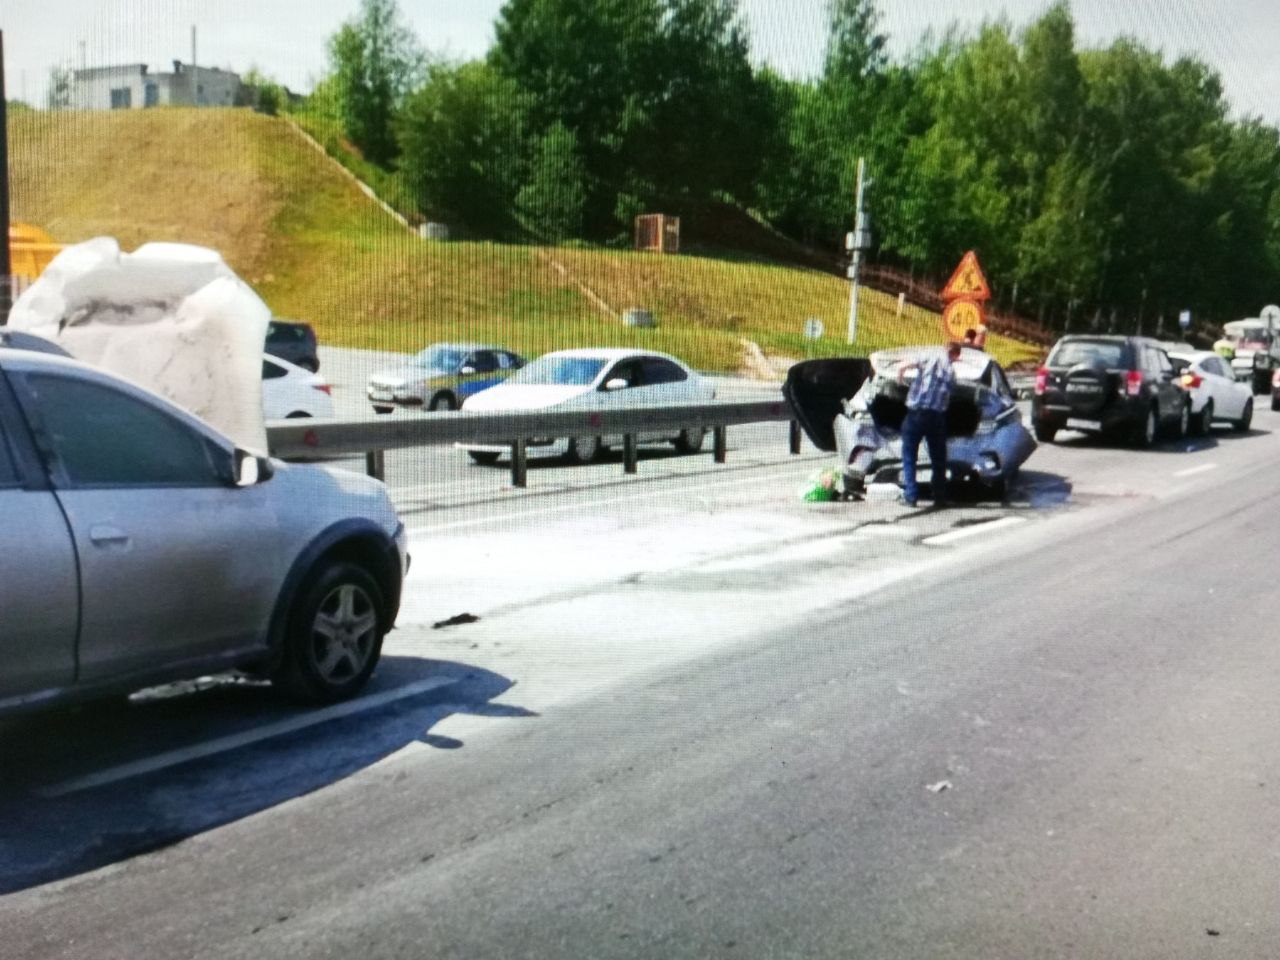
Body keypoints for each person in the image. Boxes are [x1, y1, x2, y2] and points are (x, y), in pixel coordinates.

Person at [896, 342, 961, 507]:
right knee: (938, 458)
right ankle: (939, 496)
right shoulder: (951, 372)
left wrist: (900, 378)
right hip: (937, 418)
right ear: (955, 355)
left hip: (916, 414)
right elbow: (953, 393)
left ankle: (911, 496)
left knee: (909, 455)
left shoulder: (930, 355)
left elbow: (905, 365)